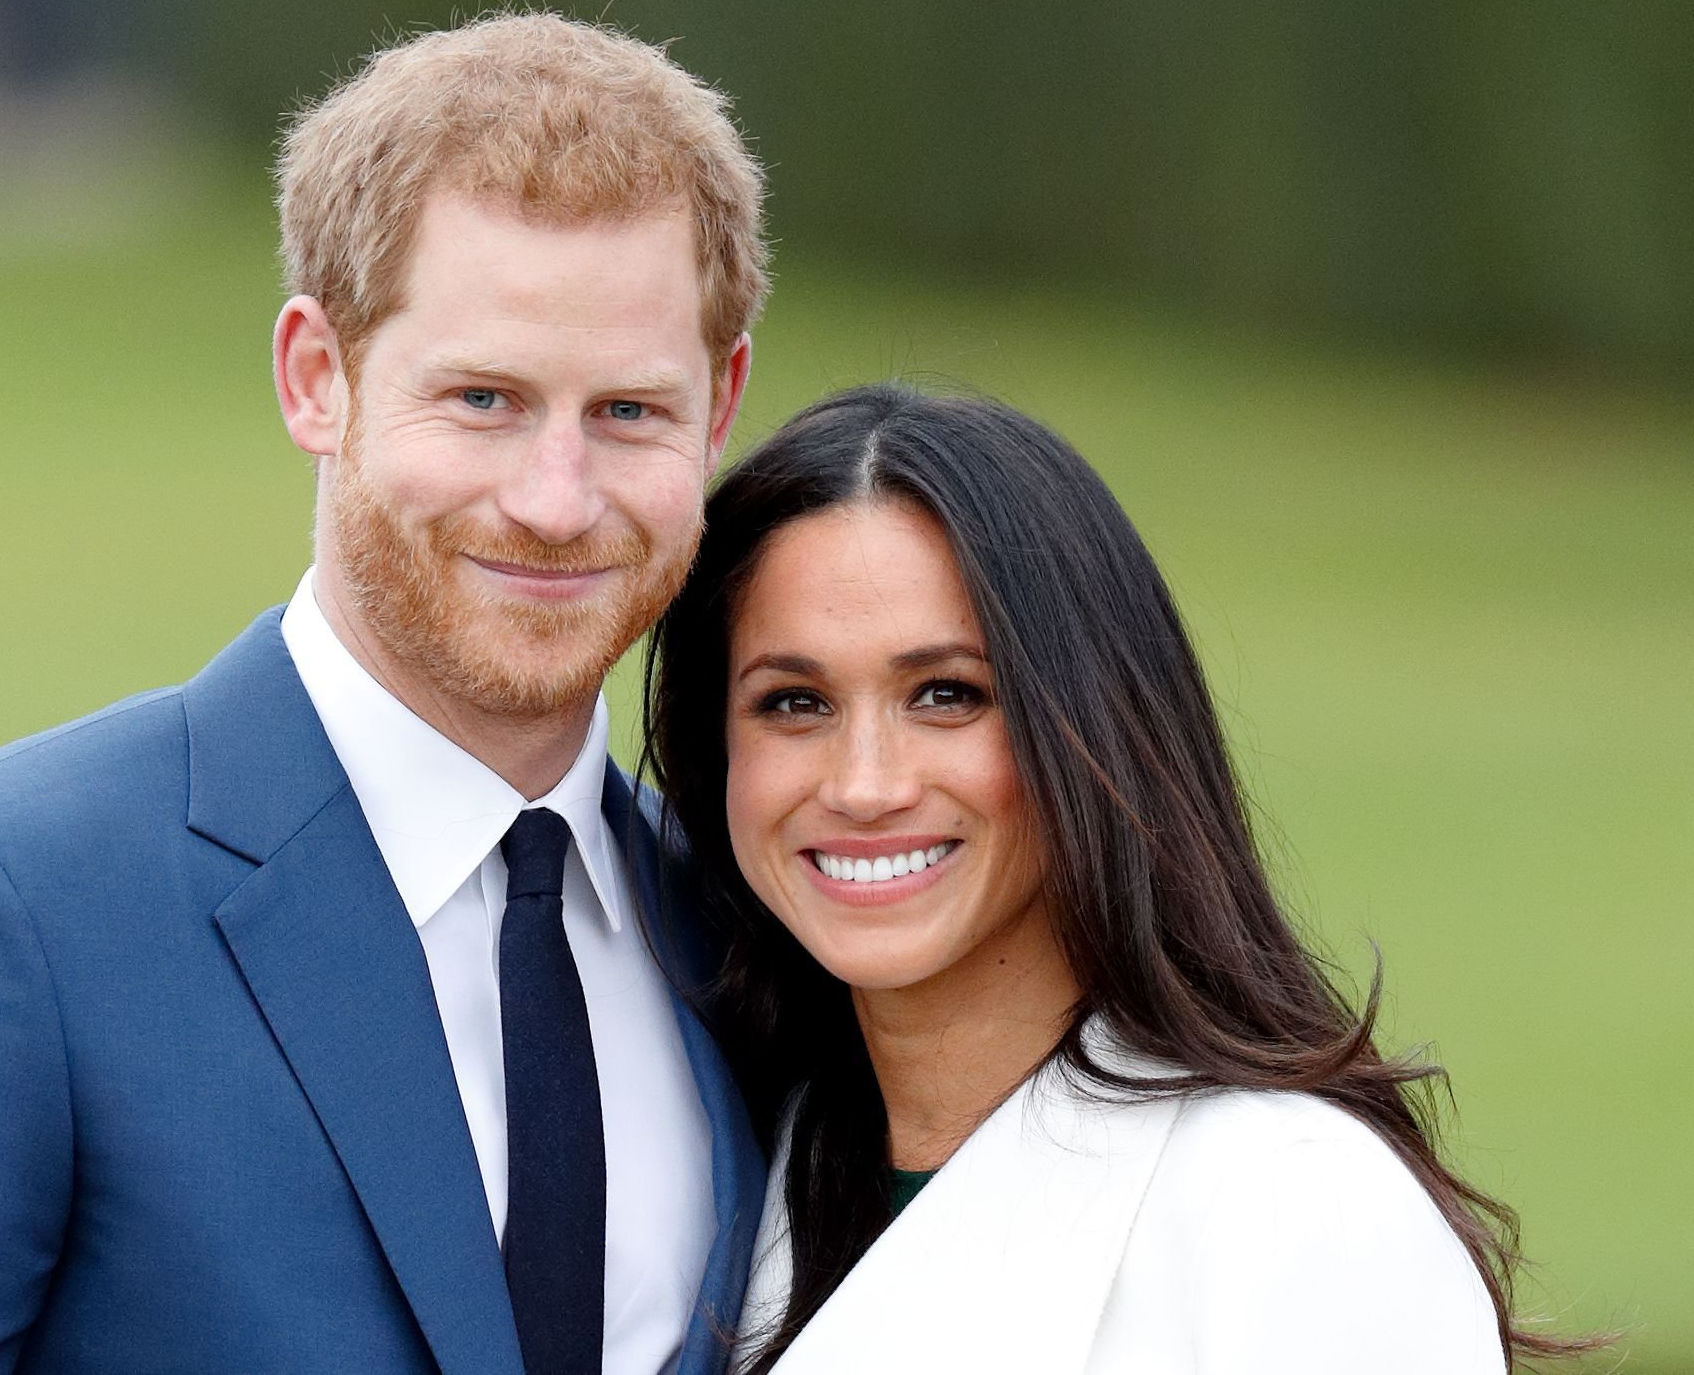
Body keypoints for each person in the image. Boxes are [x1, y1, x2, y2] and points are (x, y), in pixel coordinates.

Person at [0, 12, 768, 1375]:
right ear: (319, 378)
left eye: (627, 412)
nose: (556, 501)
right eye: (484, 399)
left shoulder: (748, 930)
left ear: (720, 406)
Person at [643, 384, 1604, 1373]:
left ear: (1091, 726)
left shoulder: (1289, 1207)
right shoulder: (729, 1170)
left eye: (945, 695)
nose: (862, 784)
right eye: (793, 703)